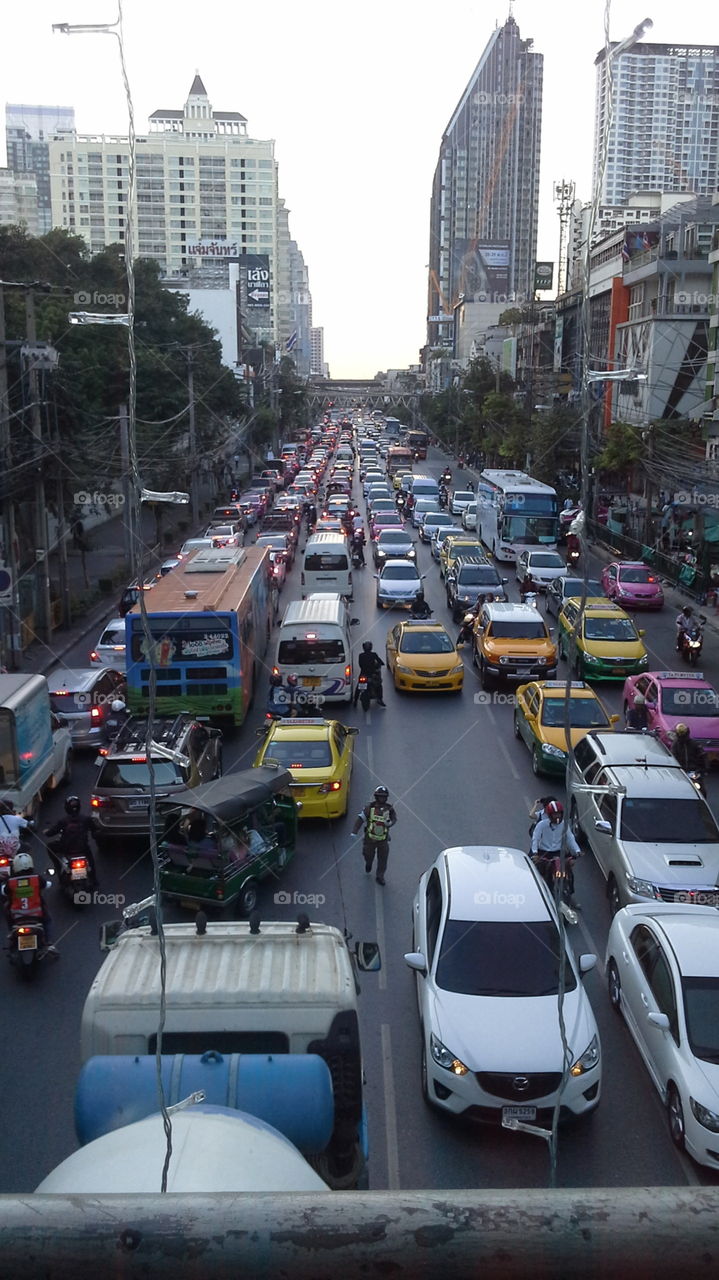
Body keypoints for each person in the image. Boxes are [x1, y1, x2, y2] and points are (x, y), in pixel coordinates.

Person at [530, 800, 582, 908]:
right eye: (555, 814)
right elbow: (535, 839)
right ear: (549, 815)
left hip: (558, 853)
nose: (557, 816)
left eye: (559, 813)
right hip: (544, 853)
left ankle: (570, 895)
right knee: (537, 874)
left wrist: (577, 851)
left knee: (568, 873)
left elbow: (570, 838)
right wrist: (535, 853)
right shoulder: (541, 825)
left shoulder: (564, 825)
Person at [2, 851, 56, 951]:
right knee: (48, 920)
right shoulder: (37, 878)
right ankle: (49, 943)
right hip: (36, 915)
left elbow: (4, 891)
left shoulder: (11, 882)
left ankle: (11, 933)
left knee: (6, 908)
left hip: (17, 918)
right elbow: (47, 885)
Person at [44, 795, 100, 884]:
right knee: (91, 860)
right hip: (83, 848)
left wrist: (46, 832)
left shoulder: (63, 821)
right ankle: (93, 878)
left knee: (49, 847)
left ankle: (58, 868)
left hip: (66, 848)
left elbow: (51, 833)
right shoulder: (86, 819)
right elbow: (95, 831)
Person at [351, 785, 397, 885]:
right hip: (370, 840)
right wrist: (354, 832)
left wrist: (390, 823)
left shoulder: (389, 809)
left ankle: (380, 876)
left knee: (383, 860)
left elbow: (394, 819)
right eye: (380, 796)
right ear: (376, 797)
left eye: (384, 797)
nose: (382, 799)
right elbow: (360, 819)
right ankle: (368, 863)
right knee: (367, 855)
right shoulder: (369, 808)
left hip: (383, 840)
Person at [356, 641, 385, 706]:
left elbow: (360, 665)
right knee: (379, 685)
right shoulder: (374, 654)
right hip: (372, 675)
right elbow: (380, 661)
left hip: (363, 674)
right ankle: (380, 699)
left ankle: (355, 701)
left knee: (358, 687)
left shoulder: (360, 655)